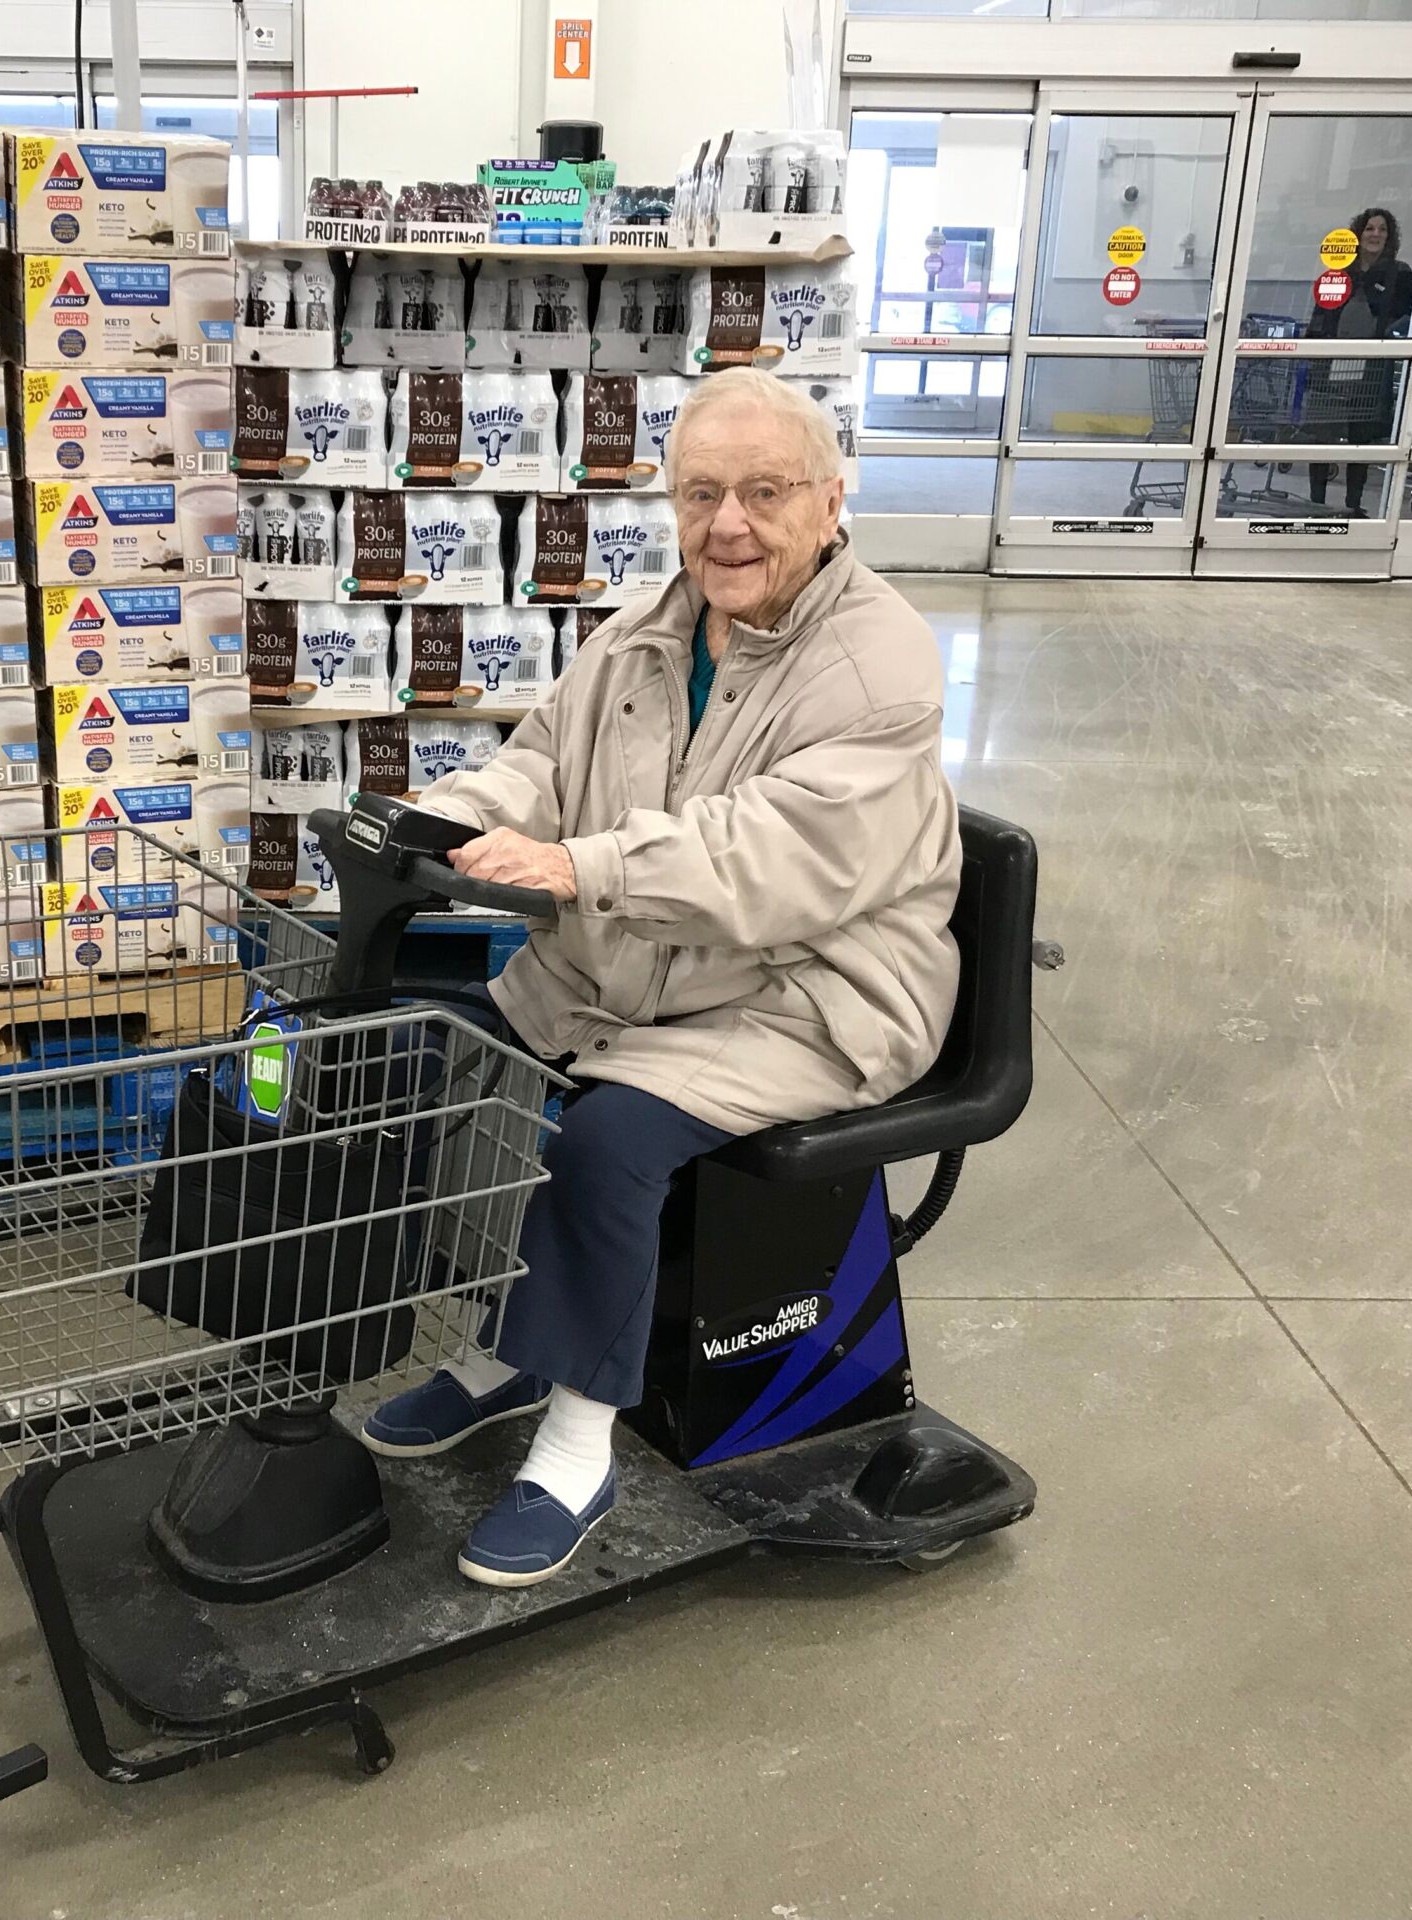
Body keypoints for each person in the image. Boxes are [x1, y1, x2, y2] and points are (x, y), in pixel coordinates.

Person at [360, 369, 963, 1588]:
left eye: (763, 492)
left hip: (806, 992)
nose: (727, 524)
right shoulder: (649, 629)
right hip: (644, 969)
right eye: (700, 494)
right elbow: (542, 765)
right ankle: (514, 1346)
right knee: (455, 1061)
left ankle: (577, 1449)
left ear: (831, 499)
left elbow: (771, 856)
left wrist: (577, 867)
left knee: (606, 1141)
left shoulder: (879, 662)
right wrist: (453, 817)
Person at [1305, 207, 1412, 515]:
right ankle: (1315, 503)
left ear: (1389, 237)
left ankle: (1353, 504)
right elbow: (1321, 313)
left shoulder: (1399, 274)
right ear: (1358, 233)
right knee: (1323, 432)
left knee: (1361, 434)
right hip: (1332, 360)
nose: (1375, 234)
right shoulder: (1340, 271)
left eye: (1382, 229)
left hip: (1372, 364)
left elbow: (1407, 315)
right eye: (1369, 228)